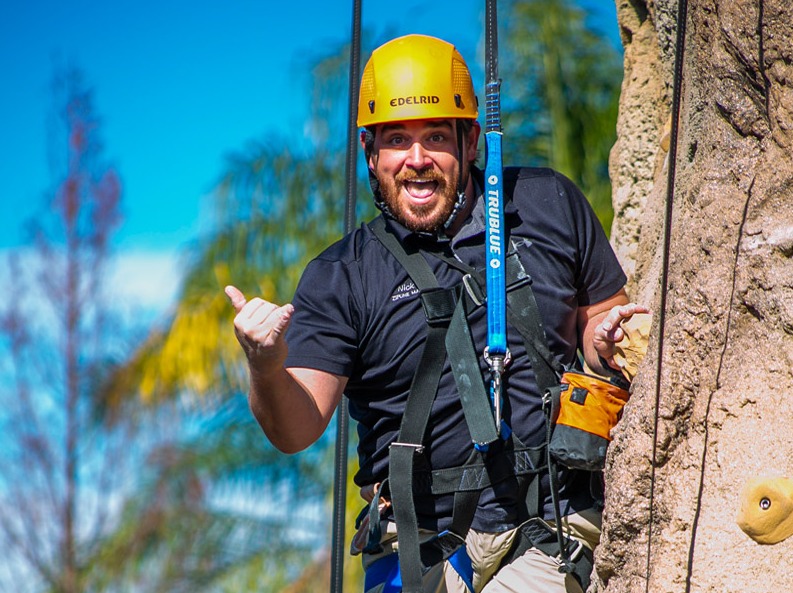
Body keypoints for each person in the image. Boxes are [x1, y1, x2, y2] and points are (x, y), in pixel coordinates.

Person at [226, 34, 648, 593]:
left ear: (471, 141)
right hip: (415, 548)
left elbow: (603, 319)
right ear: (371, 154)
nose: (417, 159)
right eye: (397, 139)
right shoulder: (343, 274)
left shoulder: (547, 204)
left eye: (436, 138)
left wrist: (603, 341)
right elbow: (294, 428)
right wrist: (265, 363)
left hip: (550, 526)